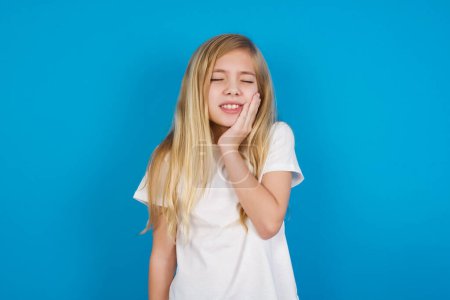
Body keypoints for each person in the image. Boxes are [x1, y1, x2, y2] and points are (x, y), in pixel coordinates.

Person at [133, 33, 305, 300]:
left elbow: (268, 222)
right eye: (216, 78)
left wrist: (229, 150)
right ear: (196, 89)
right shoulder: (169, 157)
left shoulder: (275, 138)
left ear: (260, 92)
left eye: (246, 80)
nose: (233, 89)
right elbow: (163, 255)